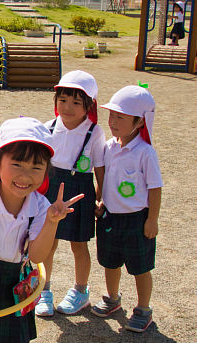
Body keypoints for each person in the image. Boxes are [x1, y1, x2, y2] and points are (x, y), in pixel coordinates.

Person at [0, 117, 85, 342]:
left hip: (16, 283)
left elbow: (37, 255)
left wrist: (52, 221)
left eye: (36, 167)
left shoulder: (40, 205)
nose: (25, 176)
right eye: (17, 165)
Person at [91, 85, 162, 333]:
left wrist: (152, 219)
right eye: (111, 115)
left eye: (120, 117)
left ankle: (143, 309)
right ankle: (113, 298)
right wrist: (99, 200)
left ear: (139, 121)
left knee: (140, 267)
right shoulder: (109, 147)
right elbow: (104, 179)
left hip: (136, 220)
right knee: (110, 262)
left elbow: (155, 188)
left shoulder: (145, 153)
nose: (113, 121)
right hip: (110, 217)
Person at [35, 70, 106, 317]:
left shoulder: (94, 132)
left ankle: (80, 291)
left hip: (80, 190)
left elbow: (100, 168)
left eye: (77, 102)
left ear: (89, 106)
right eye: (63, 100)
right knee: (48, 243)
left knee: (79, 245)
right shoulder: (48, 127)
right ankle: (43, 291)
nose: (68, 107)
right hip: (51, 189)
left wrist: (101, 195)